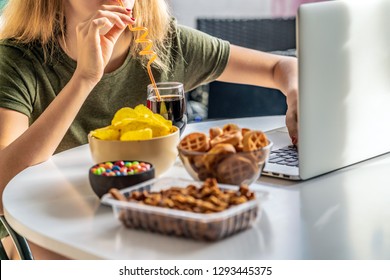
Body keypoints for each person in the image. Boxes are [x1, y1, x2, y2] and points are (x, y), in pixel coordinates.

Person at [0, 0, 298, 259]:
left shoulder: (165, 44)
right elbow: (2, 189)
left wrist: (296, 97)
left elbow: (281, 68)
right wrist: (85, 78)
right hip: (40, 226)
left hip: (139, 222)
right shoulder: (18, 59)